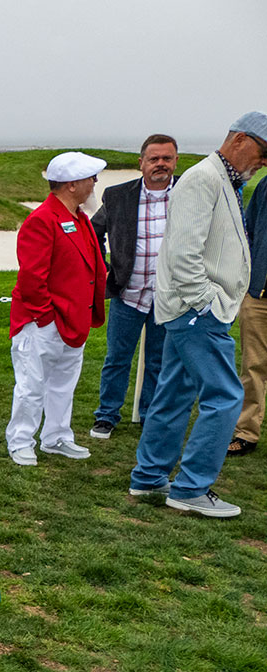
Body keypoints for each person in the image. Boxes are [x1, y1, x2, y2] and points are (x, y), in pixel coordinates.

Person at [130, 112, 267, 517]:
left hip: (193, 311)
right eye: (262, 152)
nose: (263, 162)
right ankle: (190, 488)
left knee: (174, 393)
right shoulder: (204, 179)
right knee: (226, 396)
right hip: (197, 312)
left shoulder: (223, 179)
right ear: (241, 140)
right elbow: (183, 252)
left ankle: (150, 477)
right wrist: (205, 302)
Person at [5, 152, 107, 466]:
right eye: (91, 179)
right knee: (31, 384)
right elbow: (33, 277)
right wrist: (46, 317)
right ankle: (21, 440)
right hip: (44, 322)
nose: (94, 185)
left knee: (63, 384)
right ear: (72, 184)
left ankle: (57, 436)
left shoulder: (79, 219)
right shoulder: (42, 220)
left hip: (73, 319)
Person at [89, 135, 180, 439]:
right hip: (128, 293)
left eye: (167, 158)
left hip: (170, 296)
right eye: (154, 159)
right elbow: (93, 232)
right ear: (141, 163)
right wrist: (103, 270)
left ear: (175, 161)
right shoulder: (118, 196)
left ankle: (149, 414)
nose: (160, 164)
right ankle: (106, 415)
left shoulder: (188, 192)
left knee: (158, 359)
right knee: (117, 358)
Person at [226, 179, 267, 456]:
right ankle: (247, 433)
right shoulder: (265, 187)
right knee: (253, 368)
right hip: (258, 295)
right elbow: (248, 233)